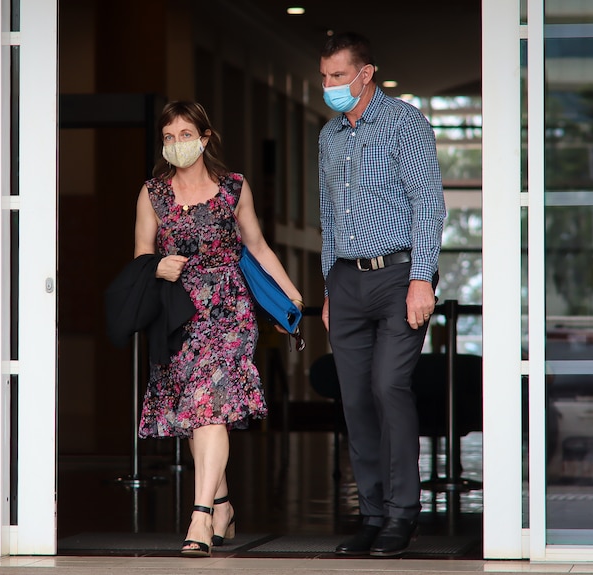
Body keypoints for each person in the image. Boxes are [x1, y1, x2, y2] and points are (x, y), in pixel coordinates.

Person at [134, 101, 303, 558]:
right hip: (178, 310)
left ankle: (201, 516)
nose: (176, 144)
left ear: (205, 138)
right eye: (168, 137)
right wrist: (156, 267)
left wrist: (290, 297)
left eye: (185, 134)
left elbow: (258, 245)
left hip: (229, 308)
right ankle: (224, 504)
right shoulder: (152, 193)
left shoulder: (234, 188)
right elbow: (140, 257)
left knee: (210, 405)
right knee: (197, 411)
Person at [317, 32, 446, 557]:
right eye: (324, 77)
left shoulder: (405, 122)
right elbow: (327, 217)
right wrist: (328, 286)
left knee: (389, 387)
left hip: (398, 277)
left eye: (338, 76)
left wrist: (423, 277)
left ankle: (402, 514)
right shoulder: (329, 136)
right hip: (346, 280)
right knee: (355, 398)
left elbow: (428, 203)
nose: (329, 86)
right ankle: (371, 514)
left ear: (365, 73)